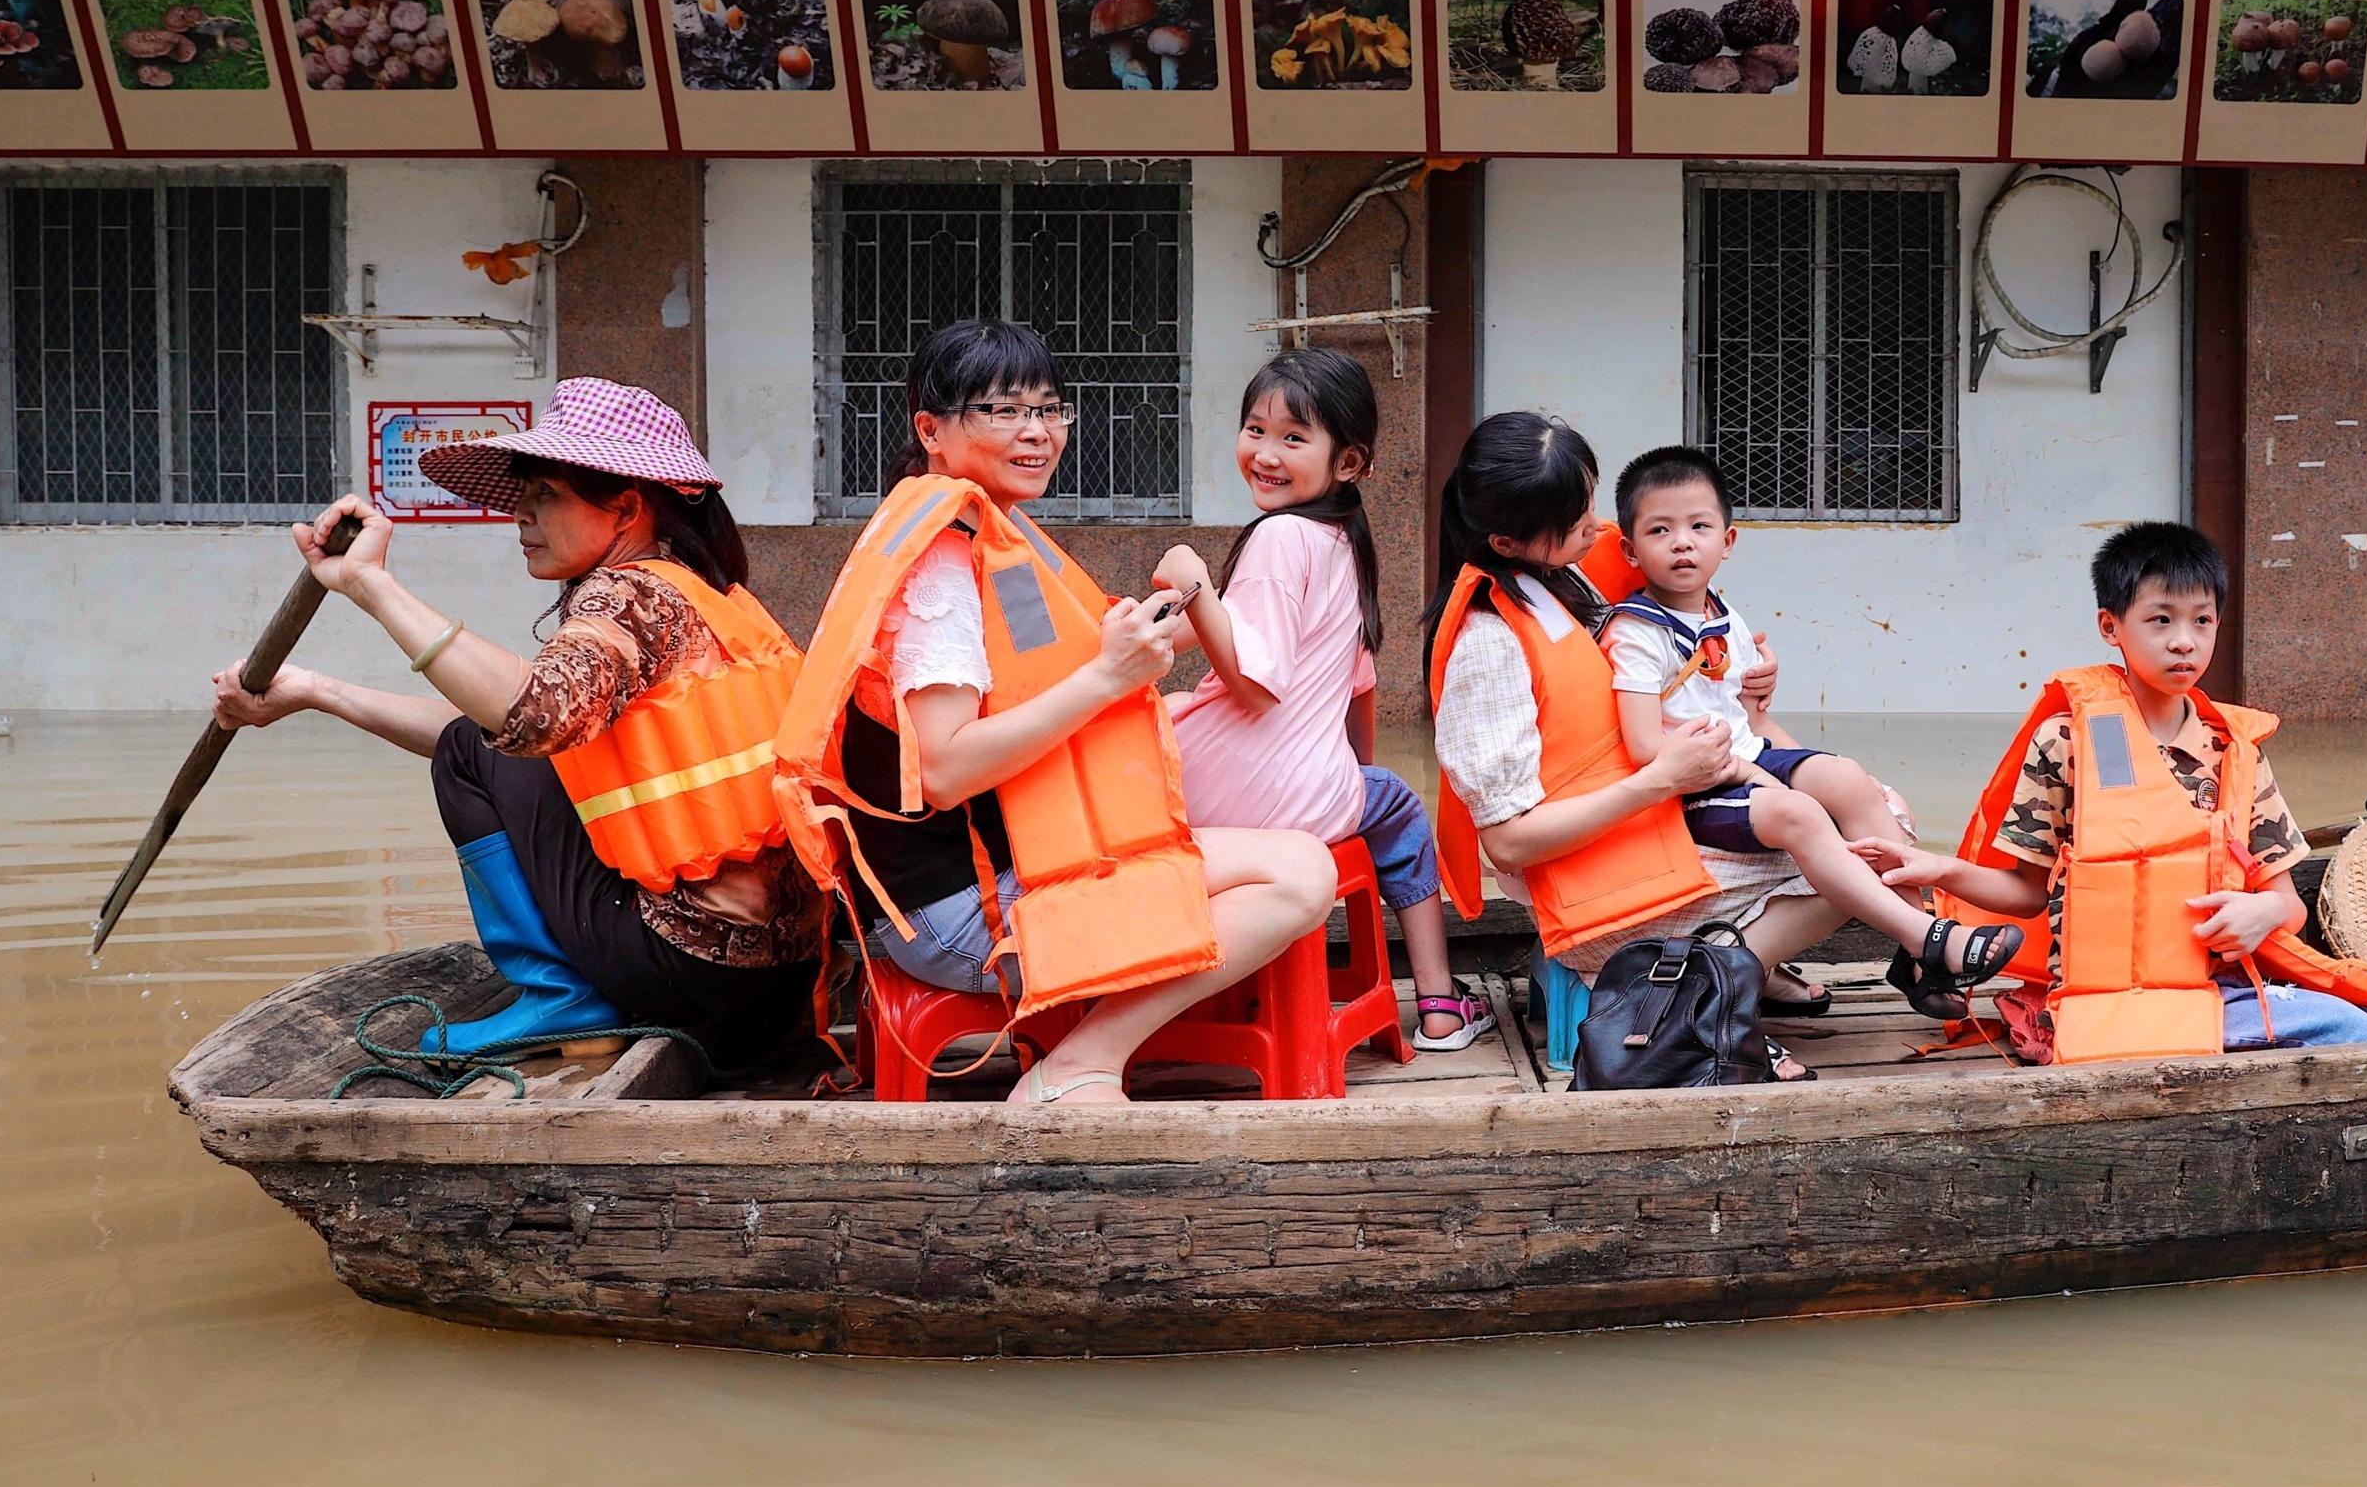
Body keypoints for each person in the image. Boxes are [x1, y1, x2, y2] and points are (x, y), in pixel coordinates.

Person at [772, 318, 1334, 1107]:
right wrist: (1108, 679)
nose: (1035, 432)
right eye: (1002, 412)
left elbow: (1038, 681)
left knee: (1271, 844)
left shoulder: (992, 533)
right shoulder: (937, 569)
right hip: (958, 913)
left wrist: (1130, 679)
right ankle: (1078, 1066)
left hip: (1009, 865)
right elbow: (945, 768)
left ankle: (1092, 1050)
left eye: (1048, 408)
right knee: (1301, 873)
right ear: (930, 430)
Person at [211, 378, 819, 1066]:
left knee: (477, 748)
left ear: (624, 508)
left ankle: (560, 999)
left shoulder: (629, 595)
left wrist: (370, 586)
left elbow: (522, 718)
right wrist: (315, 691)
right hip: (782, 978)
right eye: (522, 496)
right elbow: (489, 732)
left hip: (691, 969)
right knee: (478, 746)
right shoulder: (707, 594)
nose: (521, 518)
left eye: (545, 496)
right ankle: (572, 996)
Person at [1424, 412, 2018, 1081]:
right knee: (1859, 847)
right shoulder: (1488, 644)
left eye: (1588, 500)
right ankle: (1710, 998)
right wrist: (1662, 779)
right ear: (1508, 539)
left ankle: (1785, 961)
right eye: (1573, 520)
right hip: (1588, 861)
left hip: (1655, 807)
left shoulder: (1565, 577)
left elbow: (1682, 679)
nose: (1594, 526)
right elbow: (1507, 843)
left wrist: (1749, 700)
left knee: (1876, 813)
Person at [1855, 522, 2367, 1065]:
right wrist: (1934, 869)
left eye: (2202, 621)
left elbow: (2289, 903)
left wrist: (2265, 910)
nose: (2184, 642)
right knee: (2349, 1032)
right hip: (2111, 1000)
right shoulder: (2068, 742)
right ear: (2111, 627)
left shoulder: (2234, 749)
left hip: (2216, 987)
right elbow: (2025, 891)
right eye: (2160, 620)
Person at [1601, 444, 2026, 1019]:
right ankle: (1929, 941)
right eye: (1660, 530)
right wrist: (1741, 769)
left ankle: (1916, 954)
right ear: (1631, 549)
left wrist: (1775, 750)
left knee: (1851, 781)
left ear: (1727, 542)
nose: (1682, 542)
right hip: (1693, 787)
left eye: (1699, 526)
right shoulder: (1635, 633)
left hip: (1743, 760)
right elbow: (1647, 748)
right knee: (1806, 814)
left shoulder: (1723, 617)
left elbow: (1751, 723)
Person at [1154, 349, 1486, 1050]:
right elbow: (1351, 695)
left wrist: (1192, 579)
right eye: (1255, 430)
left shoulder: (1279, 538)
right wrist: (1347, 783)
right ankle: (1439, 1004)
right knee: (1392, 801)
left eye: (1294, 438)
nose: (1266, 454)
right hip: (1295, 801)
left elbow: (1254, 681)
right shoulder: (1343, 544)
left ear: (1348, 462)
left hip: (1220, 797)